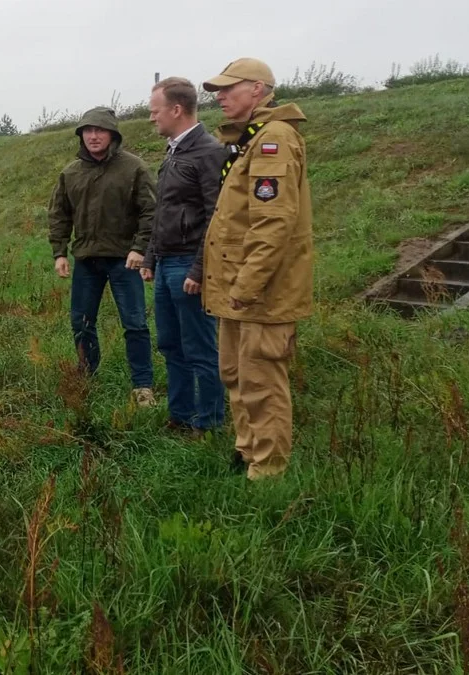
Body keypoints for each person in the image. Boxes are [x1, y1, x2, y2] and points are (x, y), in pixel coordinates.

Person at [200, 58, 314, 479]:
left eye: (230, 88)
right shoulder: (249, 139)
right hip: (237, 287)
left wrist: (246, 284)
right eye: (218, 90)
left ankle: (268, 472)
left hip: (263, 289)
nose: (220, 96)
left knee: (262, 379)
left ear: (260, 89)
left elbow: (273, 222)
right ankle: (247, 450)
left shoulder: (274, 139)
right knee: (236, 373)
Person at [48, 106, 158, 407]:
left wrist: (139, 248)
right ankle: (86, 376)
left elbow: (151, 211)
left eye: (100, 130)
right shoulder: (70, 173)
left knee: (134, 323)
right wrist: (60, 252)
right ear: (81, 136)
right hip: (86, 260)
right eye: (87, 131)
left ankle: (143, 386)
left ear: (112, 135)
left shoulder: (134, 168)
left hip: (125, 260)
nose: (93, 136)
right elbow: (59, 215)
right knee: (81, 322)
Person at [140, 77, 226, 437]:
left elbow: (216, 216)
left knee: (200, 348)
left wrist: (199, 268)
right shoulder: (174, 151)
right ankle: (180, 415)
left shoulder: (208, 152)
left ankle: (208, 422)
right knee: (171, 345)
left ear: (176, 110)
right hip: (166, 263)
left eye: (154, 111)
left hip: (189, 266)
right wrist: (149, 257)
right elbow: (165, 211)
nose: (150, 118)